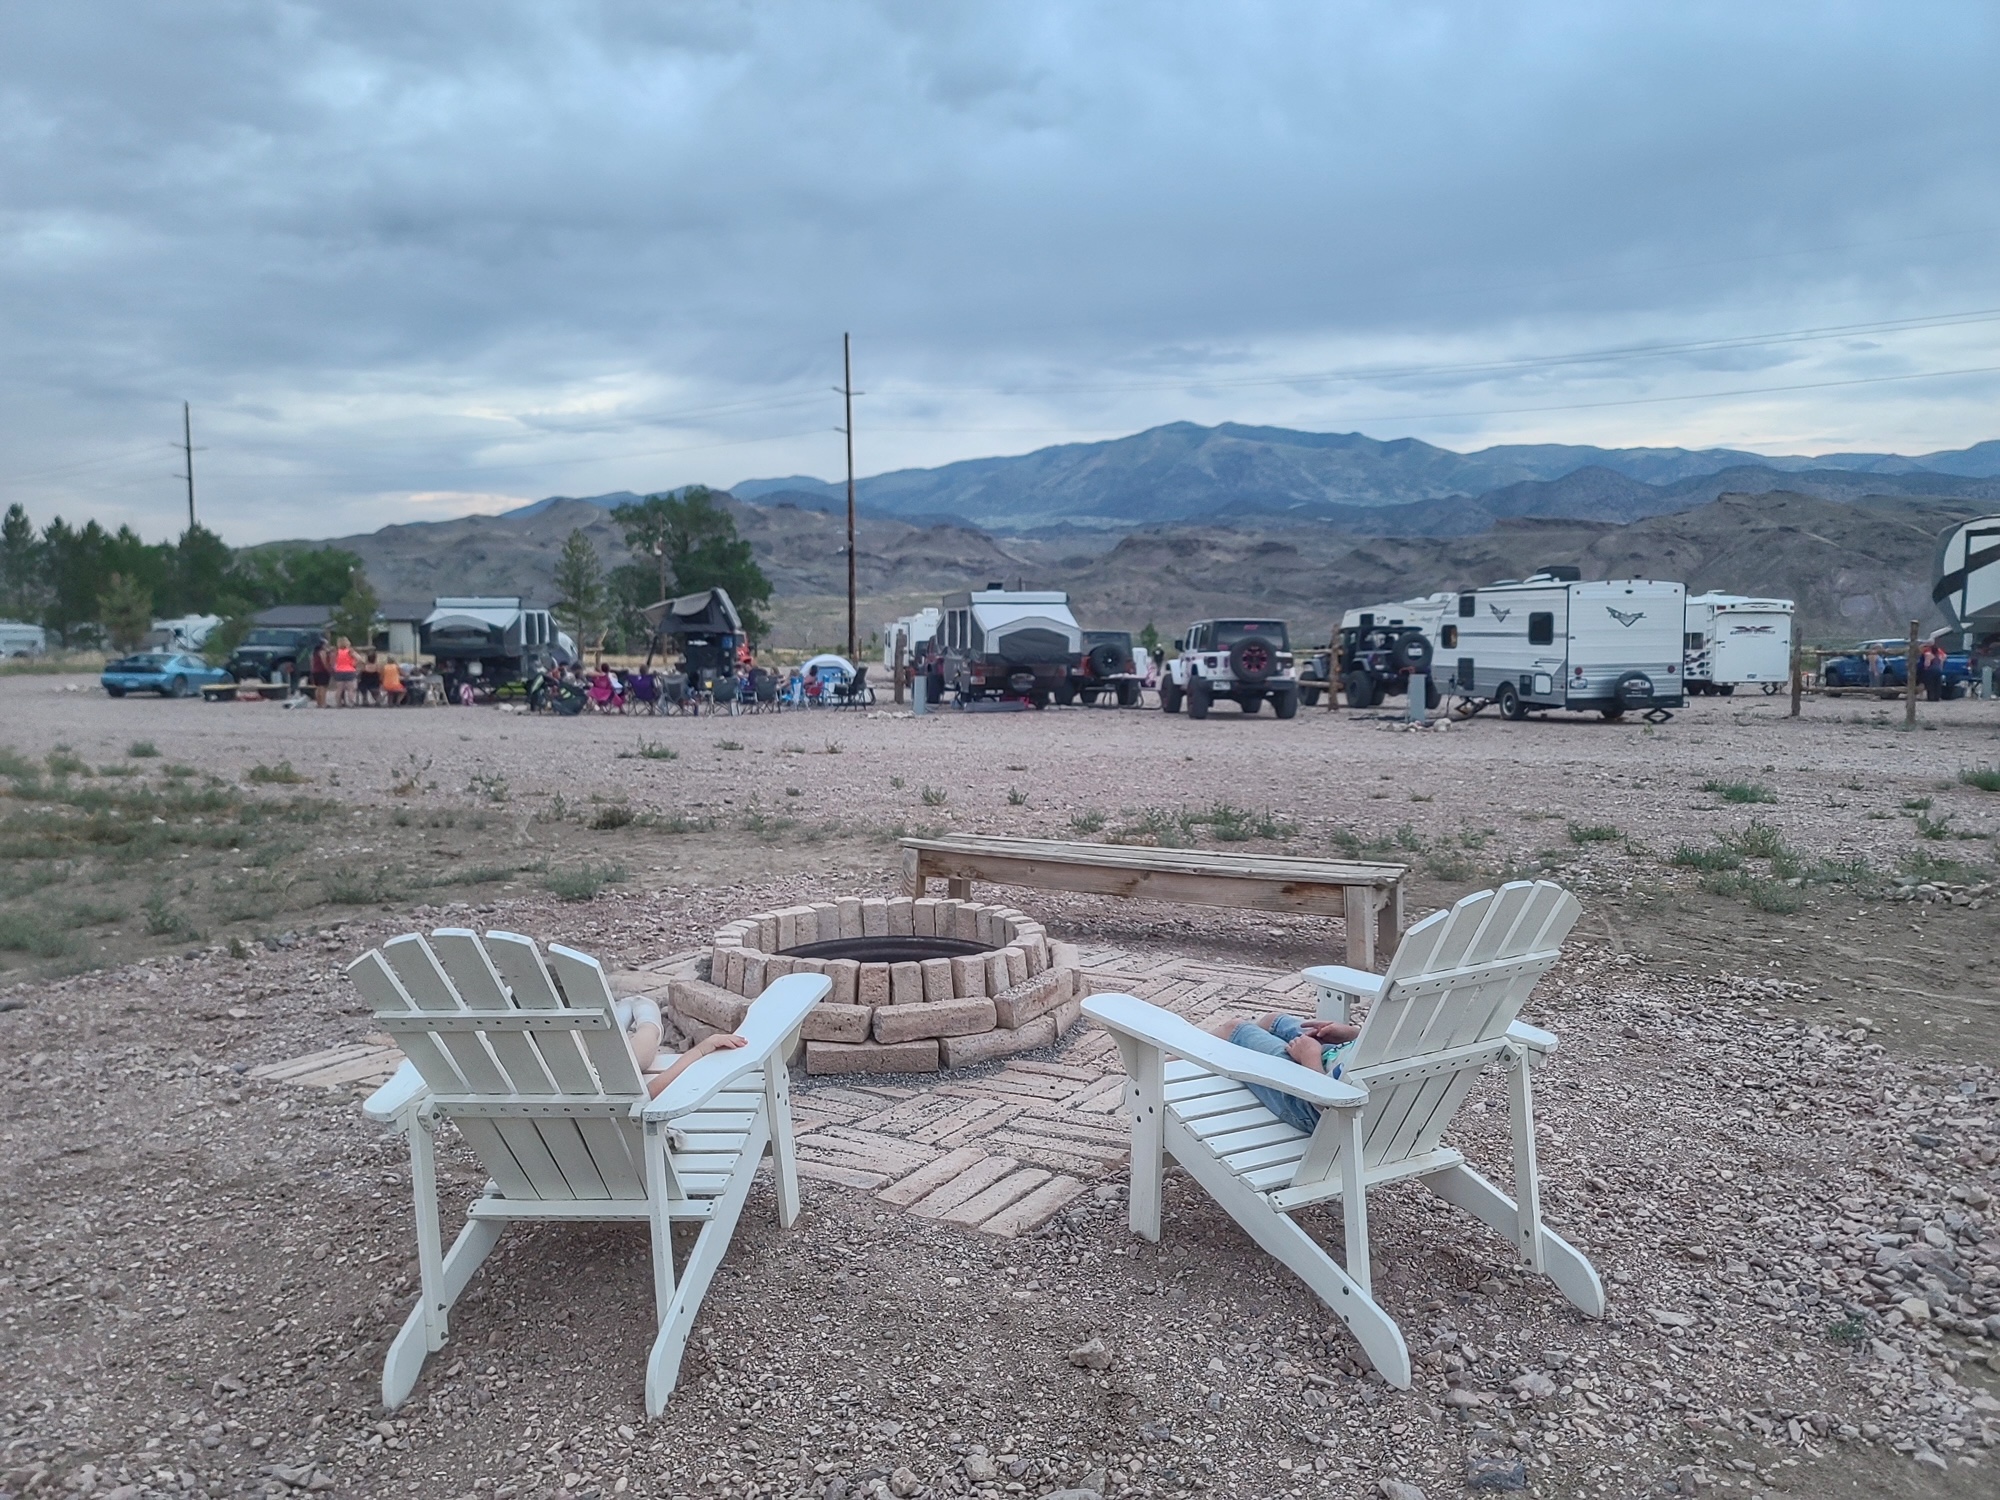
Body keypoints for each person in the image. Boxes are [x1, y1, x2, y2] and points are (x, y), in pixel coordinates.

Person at [1208, 1010, 1361, 1135]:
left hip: (1312, 1105)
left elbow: (1326, 1101)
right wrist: (1354, 1035)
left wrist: (1309, 1056)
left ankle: (1186, 1065)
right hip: (1339, 1059)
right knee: (1273, 1021)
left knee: (1234, 1030)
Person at [616, 995, 747, 1099]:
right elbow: (652, 1091)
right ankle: (649, 1023)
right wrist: (700, 1050)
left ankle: (628, 1019)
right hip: (615, 1073)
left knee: (622, 1054)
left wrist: (701, 1049)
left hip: (601, 1078)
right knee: (644, 1038)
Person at [331, 637, 358, 707]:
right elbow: (359, 658)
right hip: (349, 670)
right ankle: (351, 702)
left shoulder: (337, 652)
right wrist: (354, 663)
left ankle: (338, 703)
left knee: (339, 689)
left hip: (339, 671)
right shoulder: (350, 651)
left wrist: (335, 667)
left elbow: (333, 662)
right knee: (350, 689)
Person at [309, 641, 333, 707]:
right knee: (323, 687)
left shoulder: (313, 653)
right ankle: (323, 703)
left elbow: (311, 662)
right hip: (322, 671)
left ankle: (319, 703)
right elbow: (324, 662)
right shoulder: (322, 652)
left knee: (318, 688)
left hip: (315, 671)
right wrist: (328, 669)